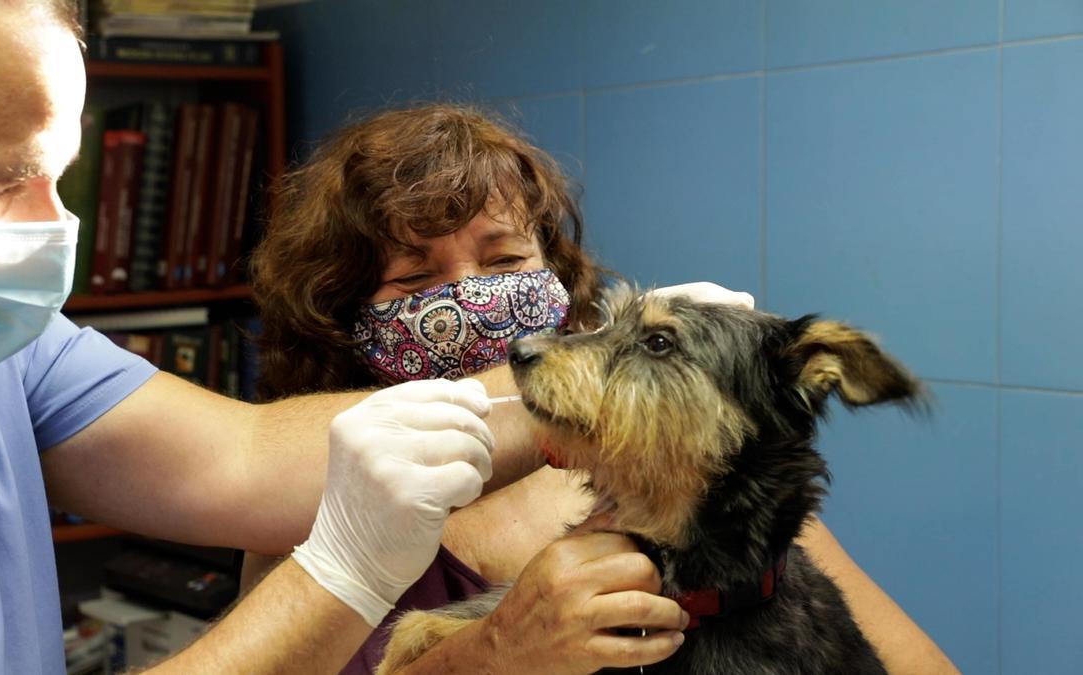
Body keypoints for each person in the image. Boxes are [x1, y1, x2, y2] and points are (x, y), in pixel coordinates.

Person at [0, 3, 544, 673]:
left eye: (55, 174)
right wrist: (344, 570)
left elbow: (245, 459)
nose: (53, 227)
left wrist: (593, 375)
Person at [242, 103, 960, 674]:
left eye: (505, 258)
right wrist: (484, 656)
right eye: (415, 277)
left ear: (554, 274)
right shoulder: (316, 502)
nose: (472, 298)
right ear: (341, 314)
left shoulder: (669, 471)